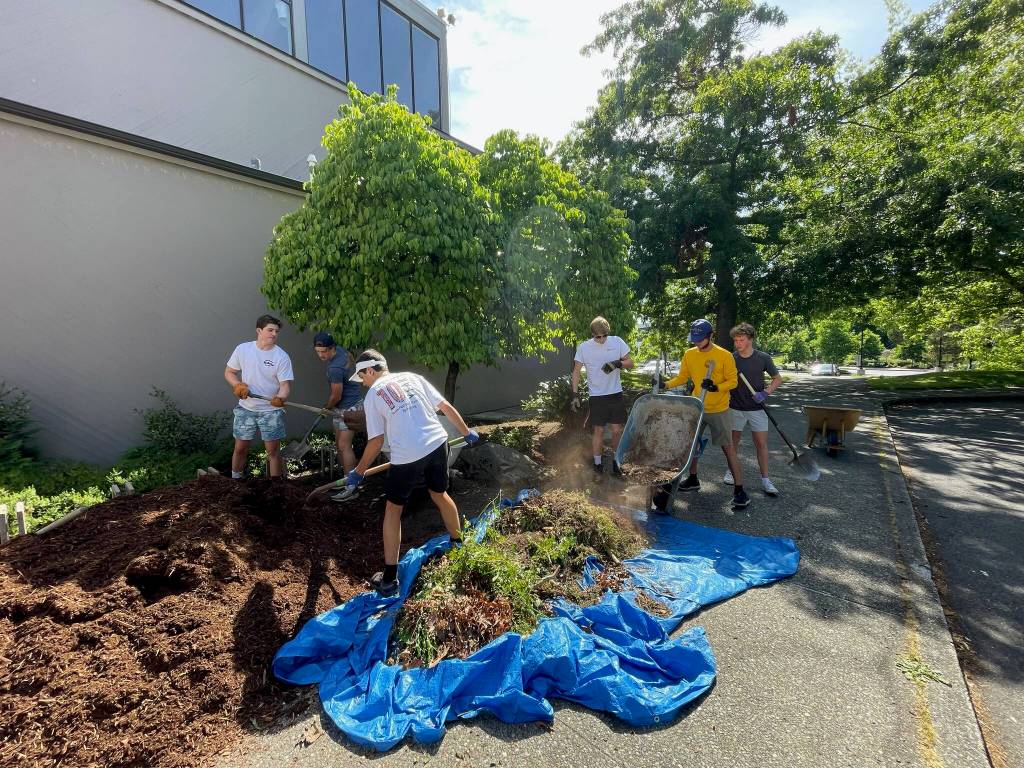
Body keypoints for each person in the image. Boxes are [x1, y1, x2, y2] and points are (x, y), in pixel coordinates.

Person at [342, 350, 480, 597]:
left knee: (393, 510)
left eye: (362, 376)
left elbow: (375, 442)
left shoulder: (374, 395)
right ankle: (459, 544)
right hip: (438, 443)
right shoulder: (412, 377)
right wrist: (466, 432)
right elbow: (445, 406)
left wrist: (358, 472)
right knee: (439, 493)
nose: (363, 382)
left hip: (406, 455)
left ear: (370, 370)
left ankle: (388, 579)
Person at [662, 318, 750, 509]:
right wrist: (666, 384)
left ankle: (740, 490)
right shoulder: (689, 354)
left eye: (700, 339)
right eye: (694, 339)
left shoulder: (725, 355)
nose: (697, 342)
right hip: (697, 407)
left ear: (711, 336)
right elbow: (683, 377)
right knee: (690, 446)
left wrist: (716, 386)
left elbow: (733, 381)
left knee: (728, 449)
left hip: (719, 409)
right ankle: (693, 479)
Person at [224, 314, 294, 479]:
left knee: (273, 452)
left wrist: (280, 398)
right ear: (259, 331)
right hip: (245, 408)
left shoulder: (281, 356)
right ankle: (236, 480)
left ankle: (275, 487)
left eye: (276, 331)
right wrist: (237, 385)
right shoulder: (243, 349)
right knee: (240, 448)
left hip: (270, 411)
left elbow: (285, 386)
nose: (274, 334)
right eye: (270, 330)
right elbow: (229, 372)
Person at [570, 316, 635, 481]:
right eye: (597, 336)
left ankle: (616, 463)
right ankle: (598, 465)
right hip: (597, 397)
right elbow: (576, 371)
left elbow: (631, 363)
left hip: (615, 394)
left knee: (616, 430)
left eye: (604, 335)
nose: (601, 339)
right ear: (592, 334)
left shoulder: (617, 341)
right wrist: (575, 394)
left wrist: (618, 363)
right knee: (598, 431)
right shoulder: (584, 347)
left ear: (608, 332)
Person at [725, 323, 783, 496]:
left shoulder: (763, 358)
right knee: (732, 444)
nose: (737, 343)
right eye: (735, 340)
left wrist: (765, 393)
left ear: (750, 339)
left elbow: (777, 379)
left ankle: (766, 479)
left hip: (757, 408)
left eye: (741, 340)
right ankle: (731, 471)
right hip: (735, 408)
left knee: (761, 444)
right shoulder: (731, 359)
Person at [312, 332, 362, 481]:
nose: (321, 355)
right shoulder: (341, 351)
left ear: (332, 347)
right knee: (339, 444)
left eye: (324, 351)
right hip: (342, 407)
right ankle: (345, 477)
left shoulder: (336, 368)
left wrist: (326, 408)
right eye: (318, 352)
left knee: (344, 445)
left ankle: (351, 483)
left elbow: (336, 396)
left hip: (349, 408)